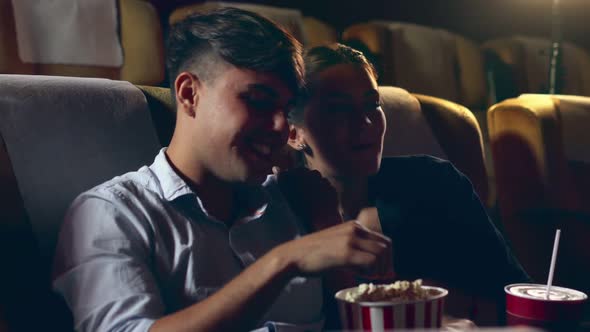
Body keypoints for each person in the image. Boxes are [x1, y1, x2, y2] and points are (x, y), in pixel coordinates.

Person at [51, 9, 391, 332]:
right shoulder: (114, 213)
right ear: (189, 94)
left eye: (284, 109)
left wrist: (324, 220)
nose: (278, 127)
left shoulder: (294, 201)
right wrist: (283, 262)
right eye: (258, 100)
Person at [280, 43, 532, 326]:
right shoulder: (276, 211)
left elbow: (515, 296)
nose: (364, 122)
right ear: (293, 133)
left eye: (372, 104)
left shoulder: (435, 183)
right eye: (338, 110)